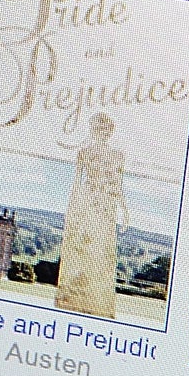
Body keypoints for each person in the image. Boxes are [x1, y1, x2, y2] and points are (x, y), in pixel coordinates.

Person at [55, 112, 128, 317]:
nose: (101, 133)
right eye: (97, 129)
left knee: (102, 252)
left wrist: (124, 210)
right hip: (87, 204)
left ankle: (99, 302)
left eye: (105, 130)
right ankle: (73, 298)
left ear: (110, 132)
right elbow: (76, 182)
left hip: (107, 205)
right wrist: (71, 209)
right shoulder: (84, 152)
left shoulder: (118, 155)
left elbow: (118, 184)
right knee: (82, 249)